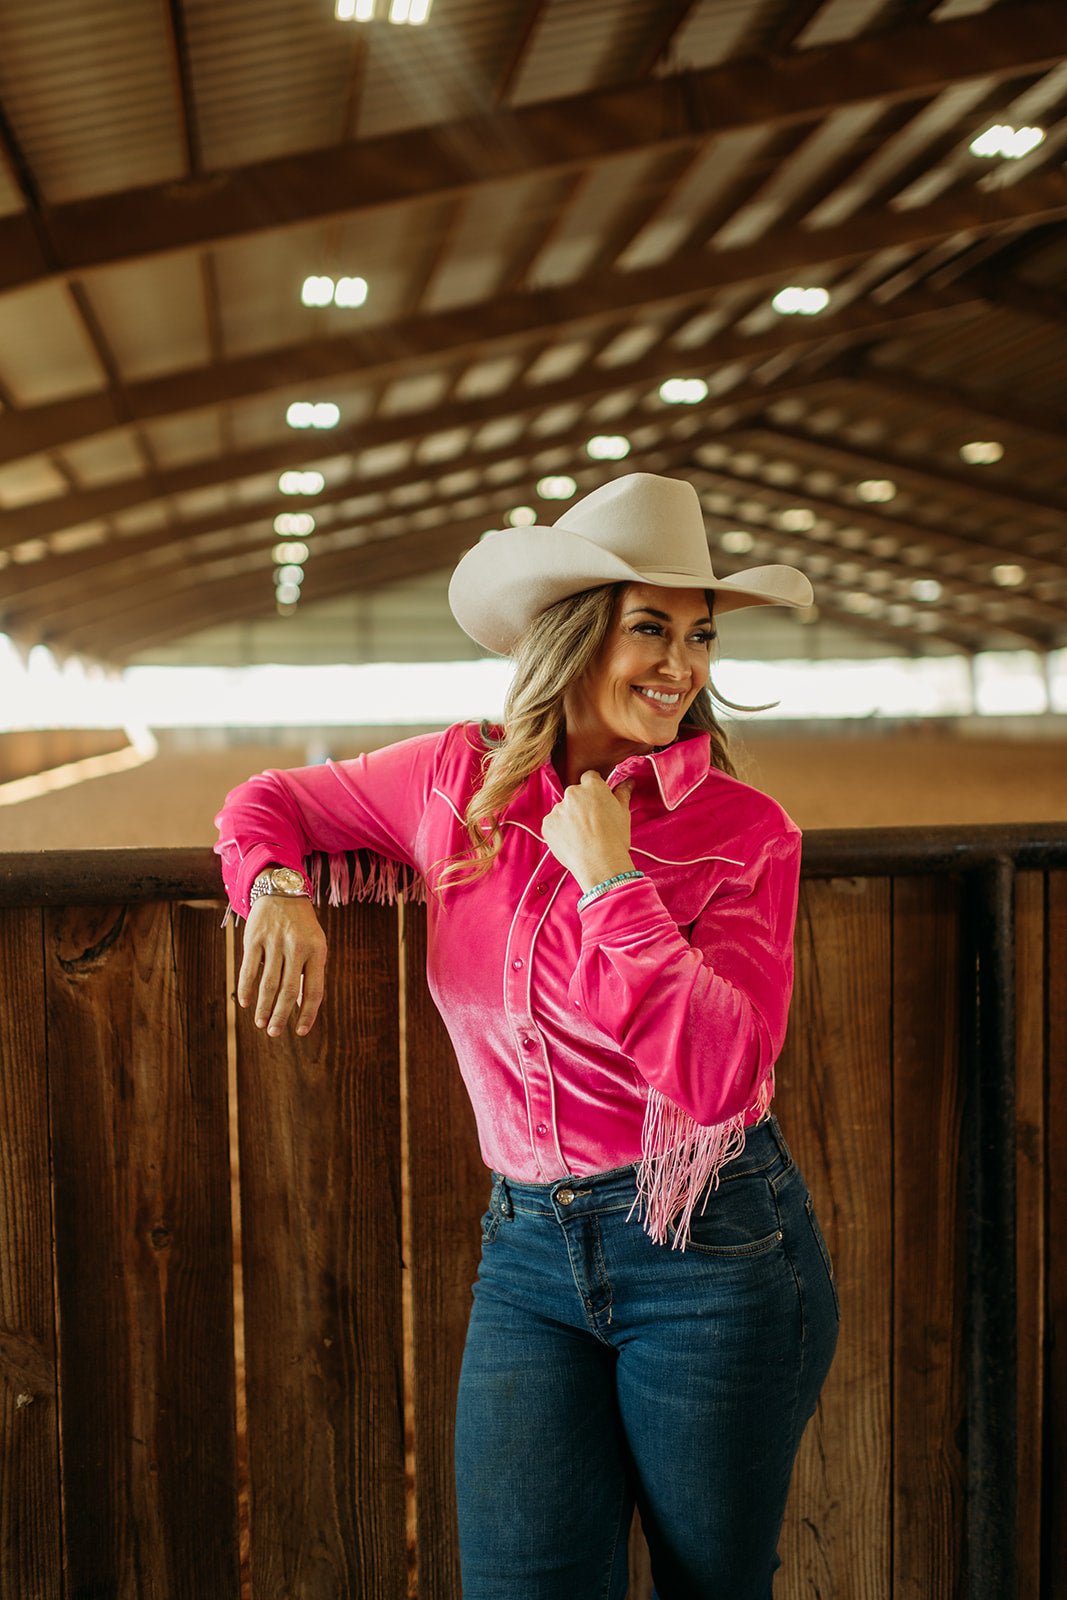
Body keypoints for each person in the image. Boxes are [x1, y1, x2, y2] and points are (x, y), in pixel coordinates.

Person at [215, 472, 839, 1600]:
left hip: (709, 1244)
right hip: (528, 1253)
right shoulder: (456, 779)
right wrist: (270, 890)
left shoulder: (746, 833)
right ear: (572, 637)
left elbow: (717, 1075)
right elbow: (269, 802)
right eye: (648, 628)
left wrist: (610, 883)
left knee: (710, 1586)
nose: (682, 667)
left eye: (697, 636)